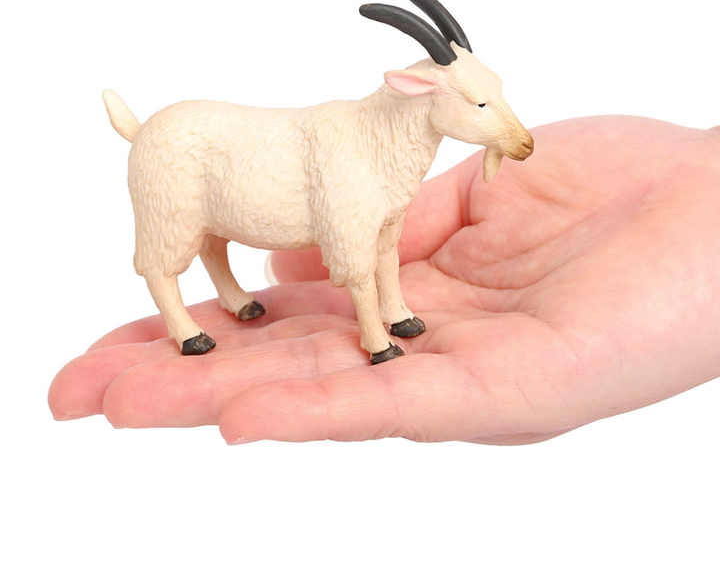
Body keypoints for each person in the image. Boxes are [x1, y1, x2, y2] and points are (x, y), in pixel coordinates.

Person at [48, 116, 720, 444]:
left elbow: (385, 232)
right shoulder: (193, 139)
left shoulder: (392, 153)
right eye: (482, 106)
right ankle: (361, 332)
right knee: (208, 233)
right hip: (178, 146)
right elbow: (348, 249)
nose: (500, 119)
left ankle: (384, 310)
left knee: (387, 235)